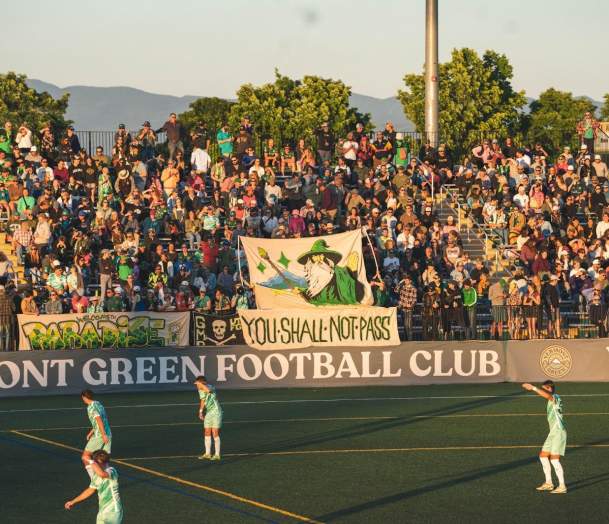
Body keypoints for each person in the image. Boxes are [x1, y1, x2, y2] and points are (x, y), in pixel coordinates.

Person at [521, 380, 567, 494]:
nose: (542, 391)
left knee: (554, 460)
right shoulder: (552, 398)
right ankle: (549, 483)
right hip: (553, 432)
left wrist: (533, 388)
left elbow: (547, 396)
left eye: (544, 389)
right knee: (543, 456)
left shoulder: (555, 397)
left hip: (558, 432)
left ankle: (562, 486)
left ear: (549, 389)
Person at [65, 449, 123, 524]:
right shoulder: (96, 476)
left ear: (99, 462)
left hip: (113, 511)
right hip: (102, 512)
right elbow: (90, 490)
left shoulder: (112, 471)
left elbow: (102, 474)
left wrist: (90, 461)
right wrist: (73, 501)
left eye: (95, 463)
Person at [80, 389, 112, 480]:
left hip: (100, 435)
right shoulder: (98, 403)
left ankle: (94, 480)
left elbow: (98, 420)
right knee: (104, 459)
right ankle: (108, 479)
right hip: (108, 433)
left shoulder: (91, 407)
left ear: (84, 397)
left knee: (85, 457)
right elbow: (101, 420)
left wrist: (103, 434)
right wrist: (91, 432)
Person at [194, 376, 223, 461]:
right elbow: (203, 400)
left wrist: (201, 385)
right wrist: (200, 411)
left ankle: (217, 454)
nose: (196, 385)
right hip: (209, 413)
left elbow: (208, 391)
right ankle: (207, 453)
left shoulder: (210, 387)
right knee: (207, 432)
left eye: (197, 383)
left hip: (216, 412)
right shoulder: (200, 390)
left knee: (215, 433)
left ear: (201, 383)